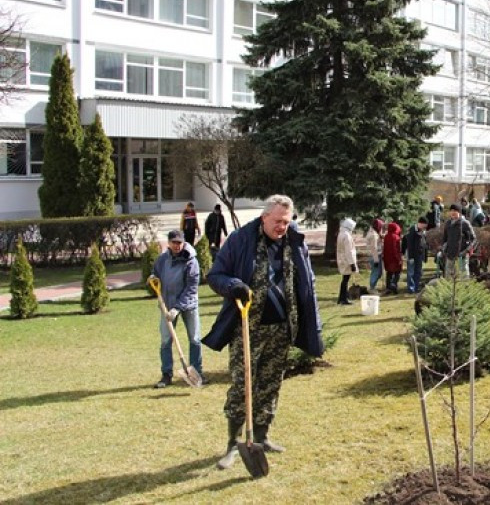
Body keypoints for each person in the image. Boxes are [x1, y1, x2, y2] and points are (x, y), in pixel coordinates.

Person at [203, 195, 324, 470]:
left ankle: (262, 437)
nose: (282, 226)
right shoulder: (241, 239)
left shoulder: (294, 242)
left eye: (287, 221)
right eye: (278, 221)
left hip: (282, 328)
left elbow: (307, 279)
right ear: (264, 217)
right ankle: (233, 444)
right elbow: (215, 275)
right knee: (241, 386)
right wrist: (233, 285)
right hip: (248, 327)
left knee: (271, 385)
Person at [151, 229, 202, 388]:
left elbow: (191, 289)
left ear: (184, 242)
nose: (177, 245)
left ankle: (197, 372)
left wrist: (177, 308)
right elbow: (156, 274)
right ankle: (166, 374)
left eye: (179, 243)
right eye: (174, 242)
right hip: (167, 305)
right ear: (169, 243)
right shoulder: (162, 259)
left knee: (194, 338)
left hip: (188, 305)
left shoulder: (191, 261)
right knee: (166, 340)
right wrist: (153, 278)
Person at [442, 203, 476, 279]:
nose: (452, 212)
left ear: (459, 212)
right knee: (449, 276)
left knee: (463, 276)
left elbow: (473, 239)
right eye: (451, 210)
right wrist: (443, 248)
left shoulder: (464, 223)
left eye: (455, 211)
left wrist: (466, 250)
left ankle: (464, 289)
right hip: (450, 254)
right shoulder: (448, 223)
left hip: (462, 255)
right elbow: (445, 239)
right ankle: (450, 290)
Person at [402, 217, 428, 293]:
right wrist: (411, 257)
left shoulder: (422, 231)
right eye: (424, 225)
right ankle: (411, 288)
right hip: (412, 255)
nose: (424, 227)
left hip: (419, 255)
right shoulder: (412, 230)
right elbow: (410, 245)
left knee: (418, 272)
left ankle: (416, 287)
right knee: (411, 272)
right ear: (420, 223)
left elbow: (423, 244)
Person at [336, 218, 358, 305]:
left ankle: (342, 297)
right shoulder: (347, 236)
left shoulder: (341, 234)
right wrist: (352, 263)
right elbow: (349, 251)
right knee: (345, 280)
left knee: (345, 280)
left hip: (342, 259)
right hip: (346, 260)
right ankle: (343, 298)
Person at [365, 218, 385, 293]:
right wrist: (376, 260)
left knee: (379, 272)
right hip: (374, 256)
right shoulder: (373, 235)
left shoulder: (374, 233)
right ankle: (372, 288)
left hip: (376, 255)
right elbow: (374, 248)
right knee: (376, 272)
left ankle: (373, 286)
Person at [383, 221, 403, 294]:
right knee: (397, 272)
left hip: (387, 258)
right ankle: (393, 285)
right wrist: (399, 259)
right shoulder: (396, 237)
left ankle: (388, 287)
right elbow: (395, 249)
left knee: (389, 273)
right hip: (394, 258)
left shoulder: (386, 236)